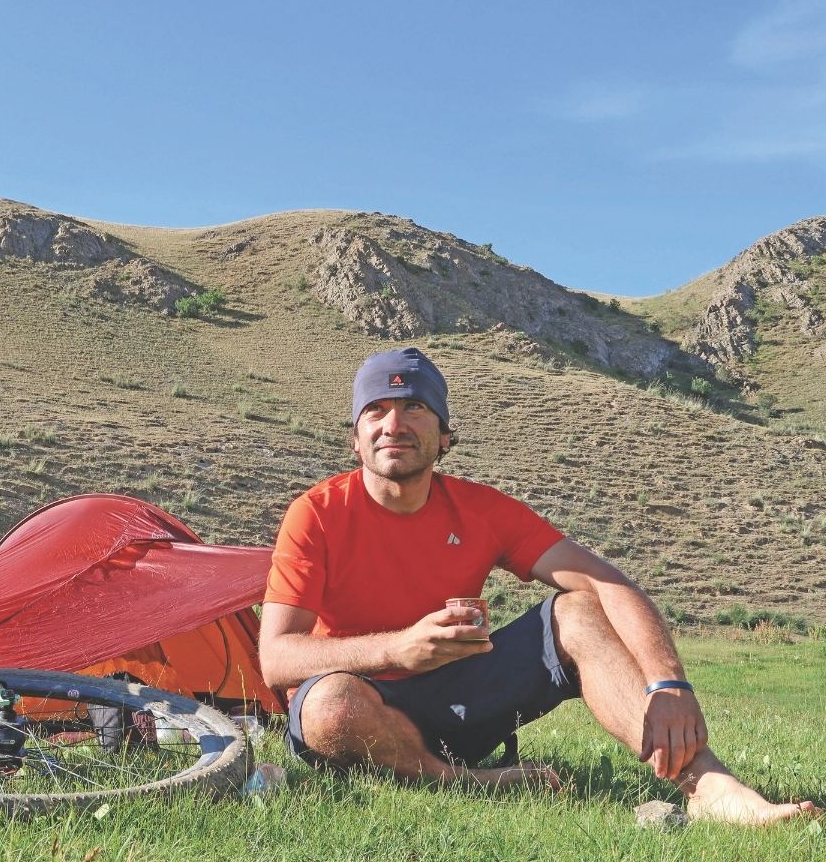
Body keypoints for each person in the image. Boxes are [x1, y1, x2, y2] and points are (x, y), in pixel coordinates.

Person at [258, 346, 819, 825]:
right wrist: (397, 648)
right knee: (329, 705)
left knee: (577, 610)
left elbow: (606, 583)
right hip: (363, 715)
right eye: (375, 411)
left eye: (415, 408)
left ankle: (707, 786)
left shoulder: (482, 510)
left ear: (445, 435)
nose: (393, 424)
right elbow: (276, 659)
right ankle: (469, 780)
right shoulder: (316, 514)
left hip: (462, 702)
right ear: (356, 437)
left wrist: (667, 683)